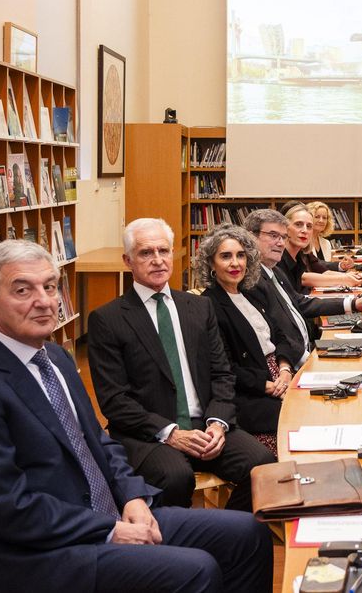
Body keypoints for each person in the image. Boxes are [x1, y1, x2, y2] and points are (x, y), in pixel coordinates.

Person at [0, 240, 273, 592]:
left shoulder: (56, 358)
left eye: (50, 287)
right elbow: (10, 507)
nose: (44, 301)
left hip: (109, 513)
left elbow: (100, 442)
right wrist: (110, 530)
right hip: (47, 550)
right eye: (23, 290)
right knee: (196, 569)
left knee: (248, 533)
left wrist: (133, 498)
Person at [87, 218, 275, 511]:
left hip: (206, 424)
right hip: (150, 434)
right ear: (128, 261)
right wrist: (171, 433)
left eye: (163, 251)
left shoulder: (198, 307)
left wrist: (218, 422)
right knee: (175, 476)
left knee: (263, 467)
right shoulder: (108, 320)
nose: (157, 260)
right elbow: (115, 401)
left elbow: (222, 374)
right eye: (146, 253)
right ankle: (182, 547)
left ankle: (224, 534)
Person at [197, 223, 299, 457]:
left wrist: (284, 369)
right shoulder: (208, 305)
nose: (235, 263)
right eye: (226, 256)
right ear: (211, 263)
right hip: (249, 392)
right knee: (300, 419)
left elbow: (281, 336)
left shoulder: (250, 293)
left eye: (241, 255)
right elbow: (223, 367)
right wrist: (268, 385)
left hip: (280, 377)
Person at [245, 209, 362, 364]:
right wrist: (310, 361)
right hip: (297, 360)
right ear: (251, 237)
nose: (280, 242)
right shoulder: (252, 280)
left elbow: (300, 302)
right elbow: (277, 333)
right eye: (273, 236)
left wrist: (353, 303)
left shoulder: (274, 271)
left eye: (283, 237)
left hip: (306, 351)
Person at [279, 204, 361, 294]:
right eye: (298, 224)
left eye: (309, 226)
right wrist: (343, 278)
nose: (304, 230)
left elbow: (320, 268)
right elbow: (303, 278)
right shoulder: (279, 257)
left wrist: (347, 276)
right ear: (285, 227)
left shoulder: (301, 250)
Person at [306, 200, 354, 270]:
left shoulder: (326, 243)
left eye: (324, 218)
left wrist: (342, 266)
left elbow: (326, 268)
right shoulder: (303, 243)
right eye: (317, 217)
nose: (321, 221)